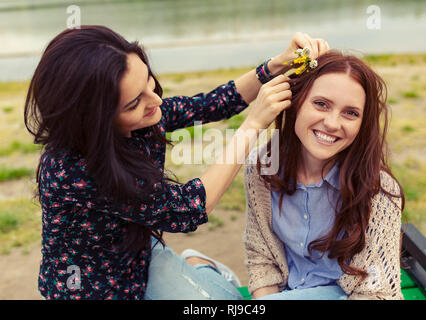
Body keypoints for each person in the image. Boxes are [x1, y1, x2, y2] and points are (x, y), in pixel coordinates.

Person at [24, 25, 329, 299]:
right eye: (134, 103)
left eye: (148, 81)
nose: (155, 100)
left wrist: (275, 66)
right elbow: (189, 208)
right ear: (95, 120)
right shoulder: (73, 170)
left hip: (140, 259)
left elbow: (212, 103)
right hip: (89, 289)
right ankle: (198, 265)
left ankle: (195, 264)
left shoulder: (142, 119)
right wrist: (251, 126)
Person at [243, 50, 405, 300]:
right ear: (296, 103)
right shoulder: (261, 166)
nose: (331, 123)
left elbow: (377, 293)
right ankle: (206, 269)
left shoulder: (379, 190)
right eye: (321, 104)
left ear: (363, 124)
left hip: (346, 295)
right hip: (283, 293)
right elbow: (261, 259)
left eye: (351, 113)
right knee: (172, 266)